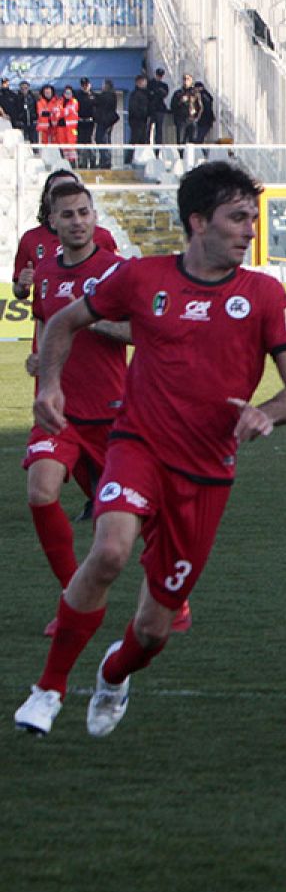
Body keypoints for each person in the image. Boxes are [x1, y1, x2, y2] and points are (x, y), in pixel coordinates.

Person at [13, 160, 286, 738]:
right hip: (138, 444)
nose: (250, 230)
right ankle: (48, 690)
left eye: (252, 218)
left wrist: (267, 412)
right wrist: (49, 385)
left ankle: (114, 673)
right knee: (109, 551)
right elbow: (62, 323)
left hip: (206, 473)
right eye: (238, 218)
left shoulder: (263, 294)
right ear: (198, 221)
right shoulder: (141, 277)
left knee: (153, 630)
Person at [22, 181, 135, 629]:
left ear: (94, 216)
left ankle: (169, 590)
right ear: (52, 221)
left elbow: (139, 332)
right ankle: (73, 599)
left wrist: (89, 319)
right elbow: (46, 326)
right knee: (40, 491)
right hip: (59, 411)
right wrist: (40, 359)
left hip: (111, 412)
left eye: (83, 213)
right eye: (67, 215)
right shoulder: (46, 272)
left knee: (138, 519)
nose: (77, 222)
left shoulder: (116, 271)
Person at [14, 168, 117, 302]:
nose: (77, 221)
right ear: (47, 198)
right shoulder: (31, 240)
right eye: (59, 191)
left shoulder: (103, 237)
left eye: (72, 188)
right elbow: (20, 291)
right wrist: (22, 286)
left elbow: (117, 285)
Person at [91, 80, 119, 170]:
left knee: (101, 140)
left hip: (104, 122)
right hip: (107, 122)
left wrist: (91, 94)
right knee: (104, 140)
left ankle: (105, 161)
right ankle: (105, 160)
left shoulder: (108, 96)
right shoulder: (112, 96)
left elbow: (98, 100)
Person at [125, 74, 154, 158]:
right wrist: (142, 114)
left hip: (145, 121)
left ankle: (142, 158)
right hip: (137, 122)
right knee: (135, 140)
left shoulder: (147, 94)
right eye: (142, 82)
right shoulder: (135, 94)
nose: (144, 83)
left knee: (144, 140)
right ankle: (129, 159)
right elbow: (133, 109)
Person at [74, 79, 96, 169]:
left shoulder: (93, 95)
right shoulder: (77, 95)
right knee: (80, 143)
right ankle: (82, 163)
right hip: (80, 123)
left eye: (86, 85)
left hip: (90, 123)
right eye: (83, 85)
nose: (85, 87)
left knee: (90, 143)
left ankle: (92, 162)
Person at [147, 67, 171, 143]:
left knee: (159, 129)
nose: (159, 77)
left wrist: (157, 92)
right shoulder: (150, 84)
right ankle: (147, 144)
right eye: (158, 75)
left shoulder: (164, 85)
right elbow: (149, 94)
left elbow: (164, 94)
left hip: (160, 109)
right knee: (148, 129)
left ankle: (158, 146)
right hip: (150, 109)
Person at [192, 79, 216, 144]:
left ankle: (200, 150)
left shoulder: (201, 95)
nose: (195, 90)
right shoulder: (207, 95)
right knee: (201, 138)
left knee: (199, 139)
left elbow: (201, 108)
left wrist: (197, 118)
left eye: (195, 88)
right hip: (208, 119)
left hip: (203, 120)